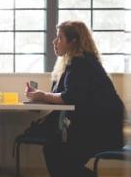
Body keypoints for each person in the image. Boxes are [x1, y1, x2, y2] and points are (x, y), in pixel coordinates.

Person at [25, 20, 125, 177]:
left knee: (56, 152)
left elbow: (69, 97)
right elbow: (61, 94)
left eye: (59, 37)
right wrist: (40, 95)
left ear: (73, 41)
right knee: (55, 150)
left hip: (102, 129)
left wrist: (43, 96)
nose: (54, 41)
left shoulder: (81, 63)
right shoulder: (75, 62)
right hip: (95, 126)